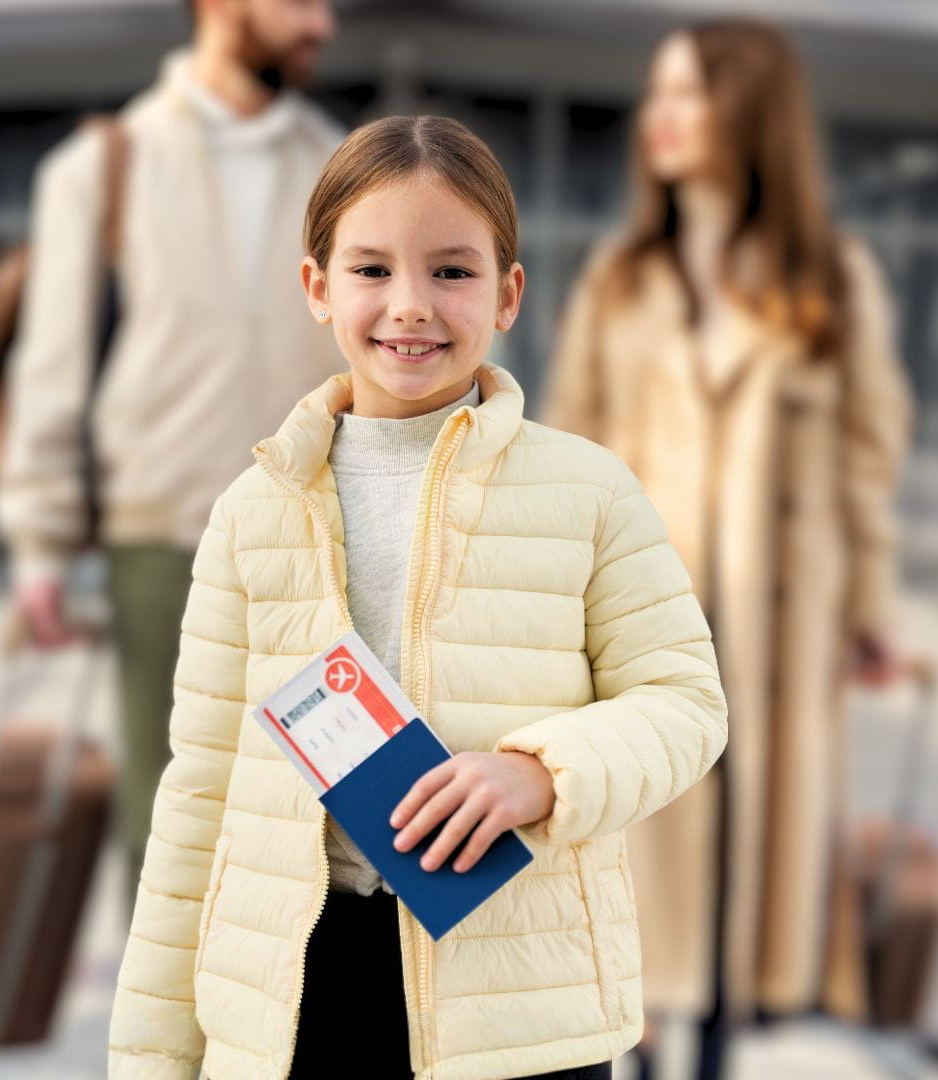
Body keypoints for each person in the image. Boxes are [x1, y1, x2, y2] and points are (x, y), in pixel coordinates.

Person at [106, 114, 728, 1080]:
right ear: (317, 287)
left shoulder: (591, 492)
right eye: (370, 269)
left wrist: (541, 773)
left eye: (451, 271)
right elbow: (197, 798)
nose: (410, 306)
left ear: (508, 294)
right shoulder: (251, 513)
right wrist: (153, 1061)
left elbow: (687, 703)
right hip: (294, 1002)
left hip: (518, 1006)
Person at [542, 19, 914, 1080]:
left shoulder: (832, 280)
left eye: (688, 95)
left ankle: (713, 1053)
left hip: (777, 631)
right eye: (656, 94)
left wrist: (871, 610)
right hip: (642, 617)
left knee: (744, 884)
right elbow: (569, 451)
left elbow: (866, 461)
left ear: (747, 112)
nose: (659, 118)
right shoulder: (620, 279)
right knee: (633, 868)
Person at [0, 0, 344, 912]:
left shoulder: (341, 165)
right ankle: (166, 1007)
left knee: (321, 818)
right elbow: (52, 364)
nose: (323, 25)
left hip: (315, 538)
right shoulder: (103, 166)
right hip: (161, 534)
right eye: (301, 3)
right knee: (170, 818)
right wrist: (39, 545)